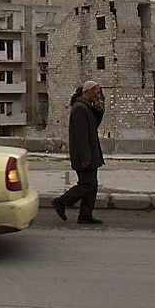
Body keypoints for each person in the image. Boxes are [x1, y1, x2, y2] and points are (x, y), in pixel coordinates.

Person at [52, 80, 105, 225]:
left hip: (90, 154)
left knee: (91, 185)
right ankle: (61, 202)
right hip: (85, 155)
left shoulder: (86, 107)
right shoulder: (80, 108)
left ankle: (85, 215)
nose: (98, 94)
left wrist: (99, 109)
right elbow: (81, 136)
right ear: (87, 91)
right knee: (87, 184)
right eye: (95, 91)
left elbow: (93, 125)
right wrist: (85, 157)